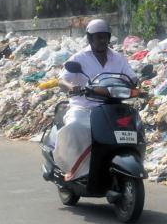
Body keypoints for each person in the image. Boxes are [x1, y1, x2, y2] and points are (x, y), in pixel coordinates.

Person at [53, 19, 136, 181]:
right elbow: (62, 80)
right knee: (76, 126)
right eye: (98, 37)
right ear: (90, 39)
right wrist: (71, 87)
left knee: (131, 129)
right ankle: (73, 168)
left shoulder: (118, 58)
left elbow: (131, 77)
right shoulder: (79, 58)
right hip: (84, 107)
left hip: (112, 107)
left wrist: (136, 87)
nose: (102, 40)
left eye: (105, 37)